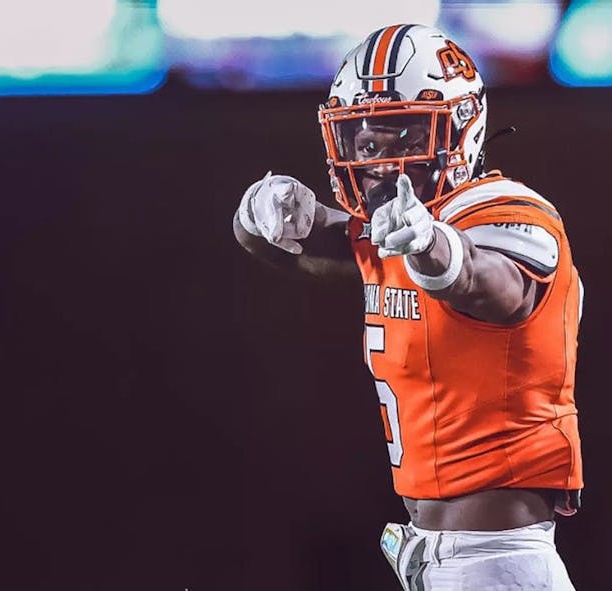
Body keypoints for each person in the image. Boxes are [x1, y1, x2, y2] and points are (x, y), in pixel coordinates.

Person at [233, 23, 584, 590]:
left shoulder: (506, 211)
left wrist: (433, 248)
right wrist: (260, 212)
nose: (379, 163)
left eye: (403, 139)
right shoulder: (394, 224)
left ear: (461, 130)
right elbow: (289, 246)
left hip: (494, 562)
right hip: (435, 556)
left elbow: (490, 283)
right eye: (366, 144)